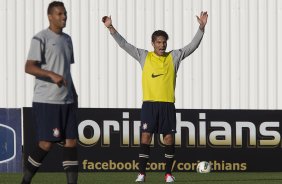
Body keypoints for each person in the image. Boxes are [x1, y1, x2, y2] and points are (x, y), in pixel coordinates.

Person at [102, 11, 208, 183]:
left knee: (168, 139)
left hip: (167, 105)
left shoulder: (174, 56)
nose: (162, 45)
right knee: (146, 137)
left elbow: (192, 46)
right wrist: (111, 28)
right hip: (149, 105)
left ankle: (168, 174)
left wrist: (201, 28)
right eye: (159, 42)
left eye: (164, 42)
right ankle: (142, 174)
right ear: (153, 43)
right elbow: (125, 45)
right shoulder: (144, 56)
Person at [21, 1, 78, 184]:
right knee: (46, 144)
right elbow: (29, 67)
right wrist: (51, 74)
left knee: (71, 142)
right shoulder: (41, 38)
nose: (64, 17)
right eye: (60, 14)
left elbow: (66, 71)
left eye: (65, 14)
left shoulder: (67, 39)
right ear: (50, 16)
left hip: (67, 101)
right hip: (47, 100)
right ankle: (25, 181)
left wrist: (74, 95)